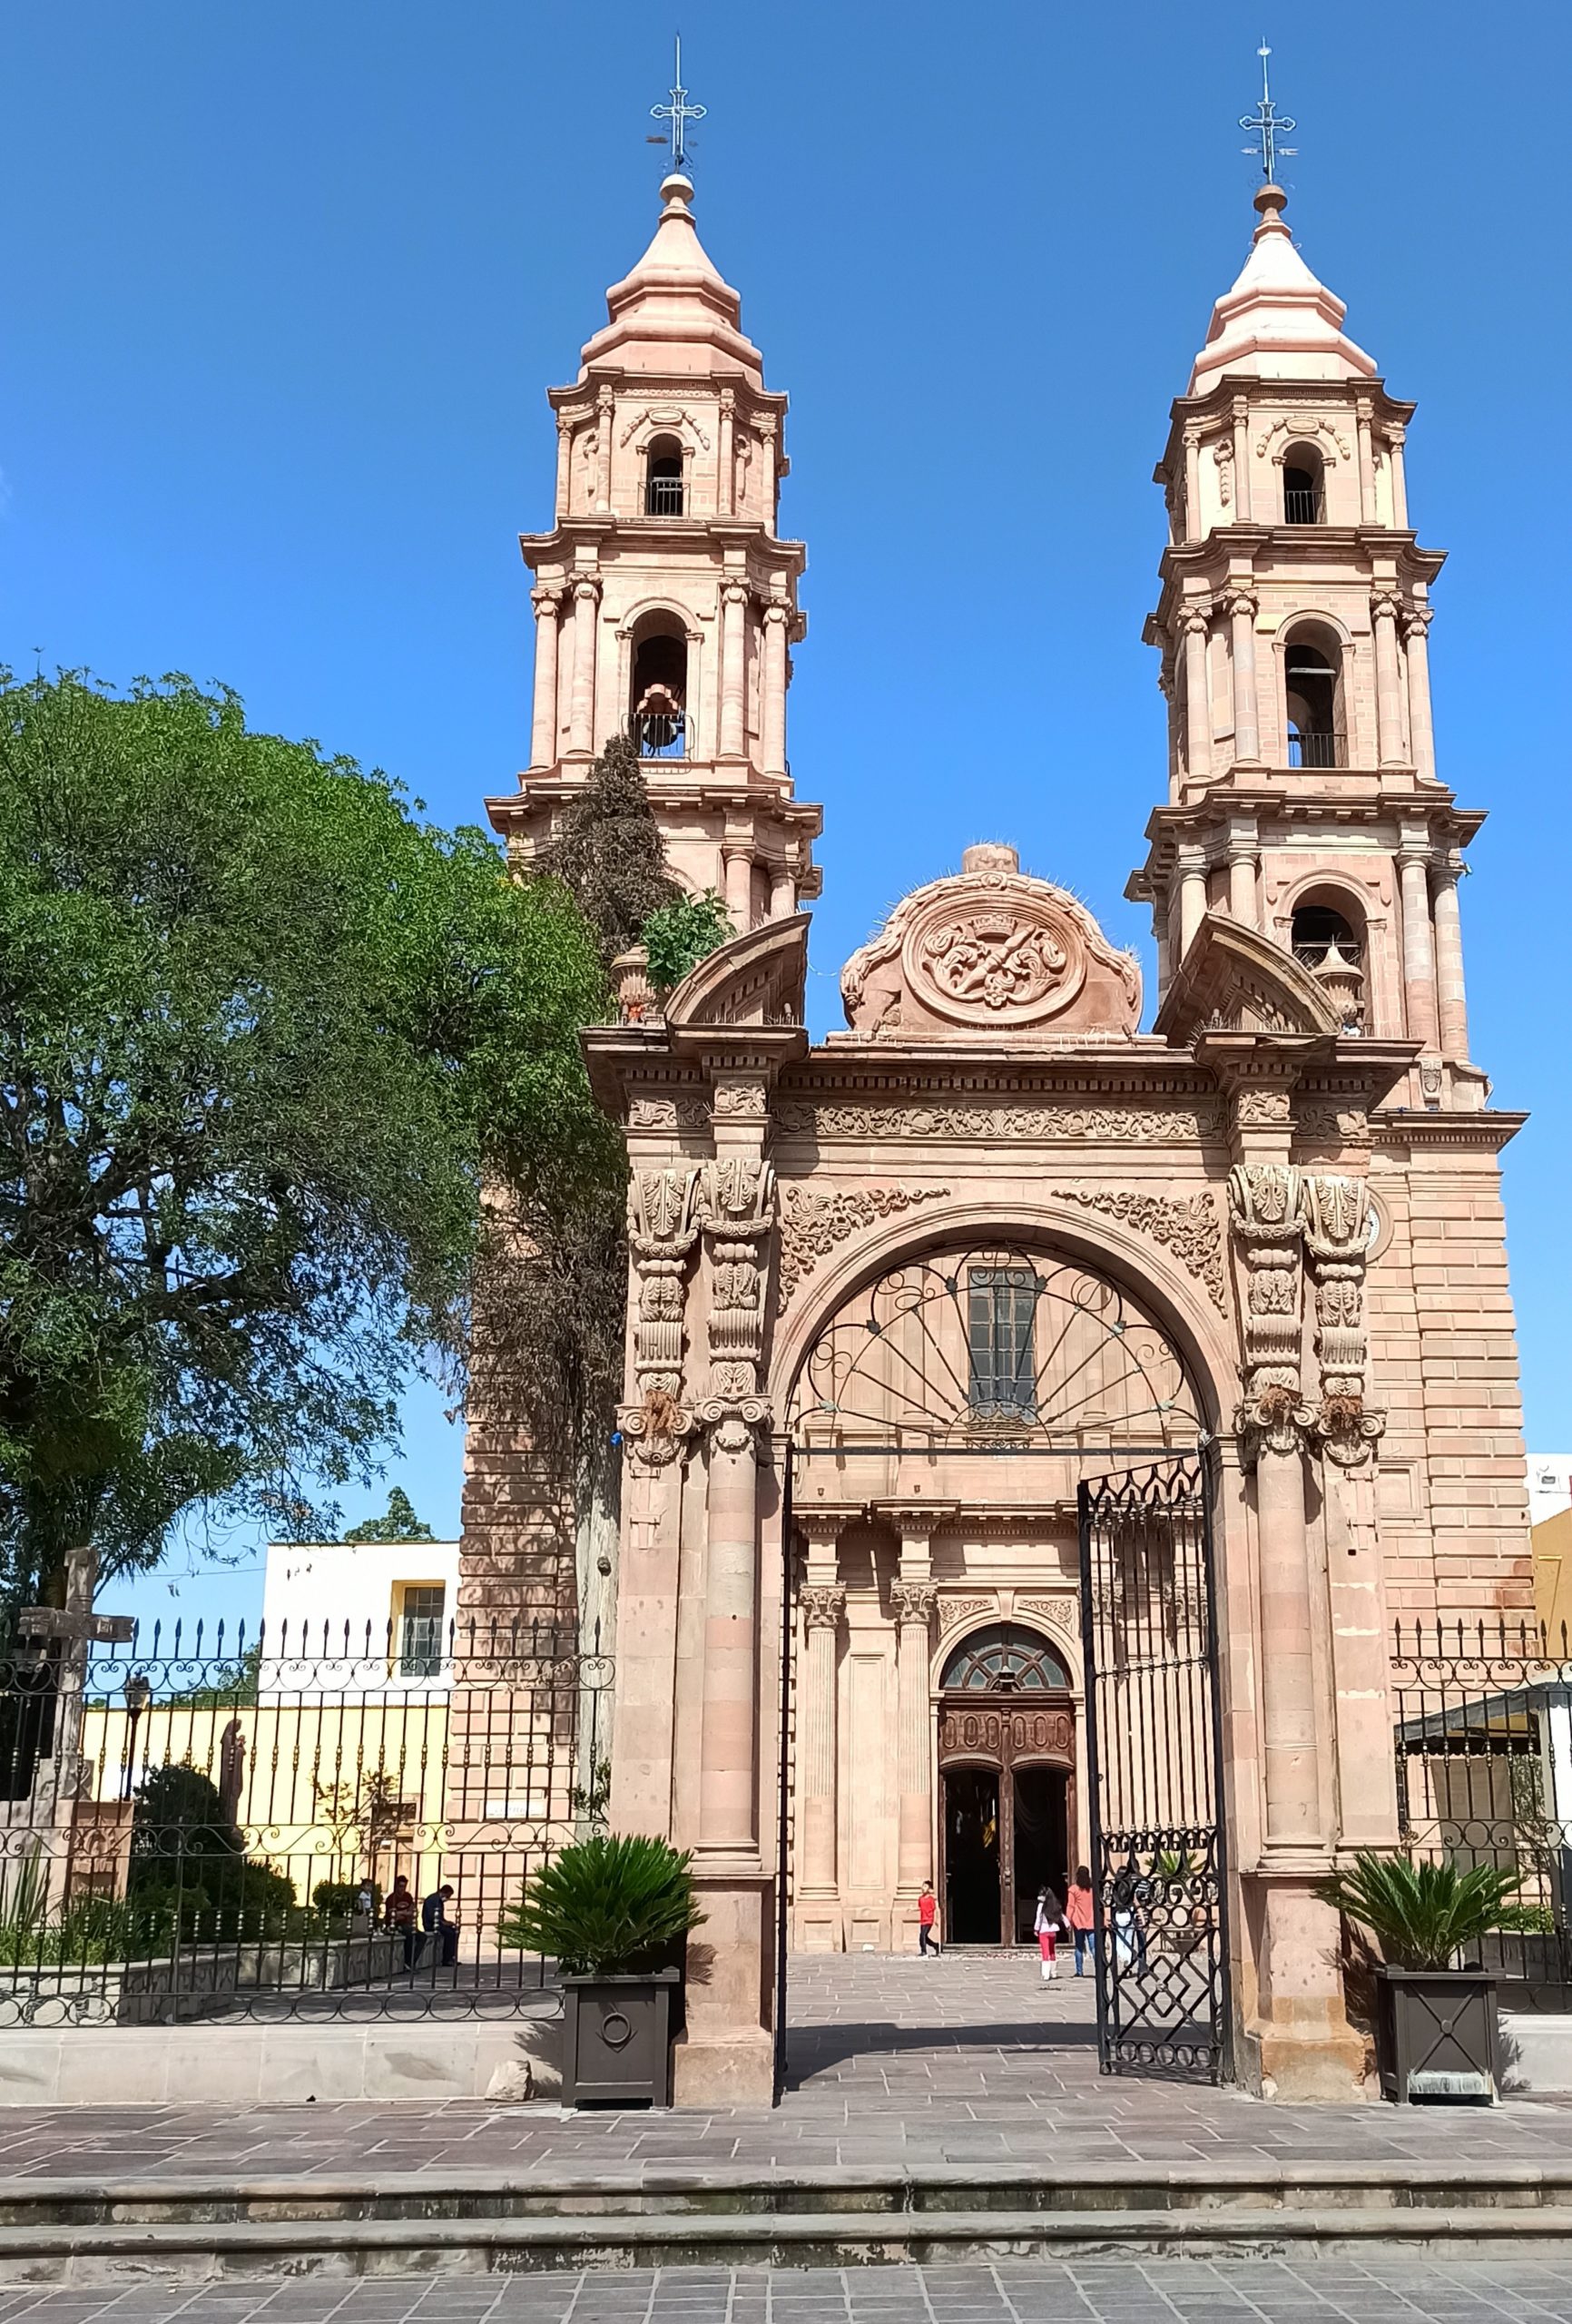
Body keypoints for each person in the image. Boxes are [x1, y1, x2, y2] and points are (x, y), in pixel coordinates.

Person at [1066, 1866, 1096, 1976]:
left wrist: (1068, 1920)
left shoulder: (1073, 1889)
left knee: (1079, 1947)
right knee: (1094, 1947)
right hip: (1091, 1921)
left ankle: (1079, 1971)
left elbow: (1071, 1906)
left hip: (1078, 1922)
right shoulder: (1093, 1889)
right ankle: (1099, 1969)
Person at [385, 1875, 419, 1969]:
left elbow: (413, 1911)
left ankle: (411, 1961)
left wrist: (403, 1913)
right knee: (410, 1935)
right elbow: (393, 1915)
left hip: (407, 1923)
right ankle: (407, 1963)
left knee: (421, 1937)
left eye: (404, 1886)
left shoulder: (408, 1896)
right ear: (396, 1886)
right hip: (396, 1925)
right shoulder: (391, 1898)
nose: (402, 1889)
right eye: (400, 1886)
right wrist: (405, 1913)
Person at [422, 1882, 460, 1969]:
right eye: (448, 1896)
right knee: (449, 1933)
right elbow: (432, 1916)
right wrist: (443, 1923)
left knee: (455, 1930)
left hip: (438, 1923)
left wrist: (447, 1922)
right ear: (444, 1892)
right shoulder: (433, 1900)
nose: (448, 1899)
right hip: (431, 1925)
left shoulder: (439, 1901)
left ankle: (452, 1956)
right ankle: (446, 1959)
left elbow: (440, 1917)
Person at [1033, 1885, 1066, 1982]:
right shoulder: (1055, 1905)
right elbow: (1061, 1916)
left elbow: (1039, 1919)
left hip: (1044, 1931)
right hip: (1053, 1931)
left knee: (1045, 1952)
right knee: (1052, 1951)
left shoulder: (1041, 1906)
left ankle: (1046, 1974)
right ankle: (1054, 1972)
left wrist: (1036, 1929)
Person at [917, 1879, 940, 1956]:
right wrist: (912, 1909)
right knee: (925, 1937)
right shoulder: (920, 1898)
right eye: (923, 1886)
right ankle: (935, 1945)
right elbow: (920, 1908)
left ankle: (924, 1951)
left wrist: (936, 1919)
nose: (923, 1887)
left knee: (922, 1936)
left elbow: (935, 1909)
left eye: (925, 1886)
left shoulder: (931, 1899)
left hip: (929, 1920)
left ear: (929, 1889)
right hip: (923, 1920)